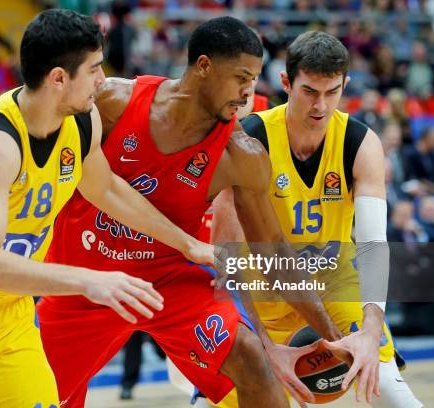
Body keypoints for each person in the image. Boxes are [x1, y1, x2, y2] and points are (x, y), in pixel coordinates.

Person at [0, 9, 216, 407]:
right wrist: (88, 280)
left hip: (10, 311)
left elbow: (107, 189)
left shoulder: (83, 121)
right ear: (58, 78)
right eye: (93, 70)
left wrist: (187, 244)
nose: (102, 81)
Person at [39, 17, 360, 408]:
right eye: (241, 78)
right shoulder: (111, 104)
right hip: (86, 283)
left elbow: (273, 252)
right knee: (34, 396)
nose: (248, 92)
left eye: (254, 80)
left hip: (168, 284)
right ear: (204, 66)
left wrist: (332, 336)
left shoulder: (241, 155)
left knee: (253, 359)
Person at [212, 31, 422, 407]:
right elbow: (225, 254)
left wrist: (372, 327)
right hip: (264, 294)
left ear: (346, 85)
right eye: (310, 91)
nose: (320, 106)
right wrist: (258, 340)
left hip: (335, 286)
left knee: (388, 388)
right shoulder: (250, 138)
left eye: (332, 92)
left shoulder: (360, 143)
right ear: (286, 82)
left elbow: (374, 242)